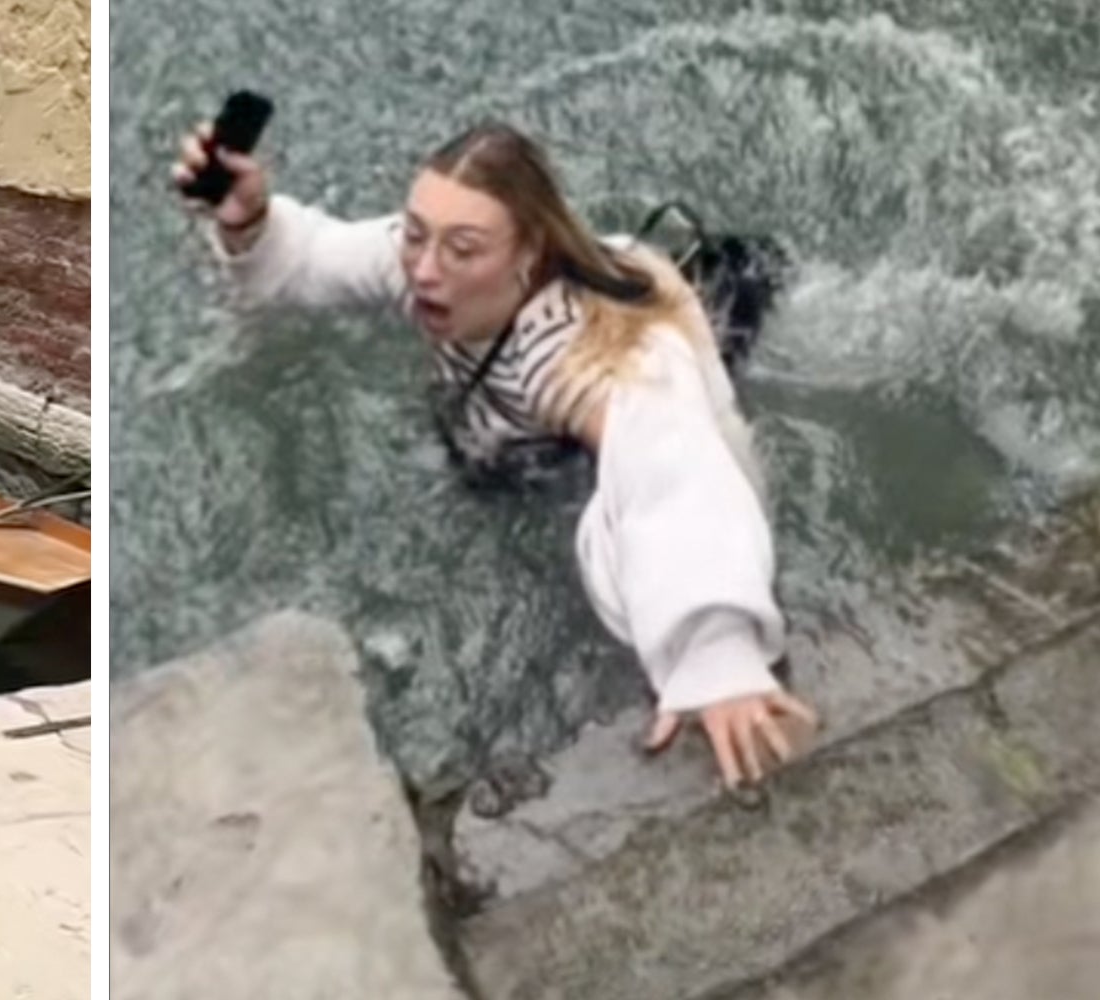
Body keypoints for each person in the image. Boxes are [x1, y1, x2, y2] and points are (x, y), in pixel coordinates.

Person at [171, 117, 819, 791]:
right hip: (542, 389)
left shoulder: (578, 360)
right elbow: (312, 259)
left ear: (528, 256)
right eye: (416, 234)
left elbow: (672, 464)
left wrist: (716, 655)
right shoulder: (422, 265)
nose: (425, 270)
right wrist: (250, 223)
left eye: (463, 249)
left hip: (689, 323)